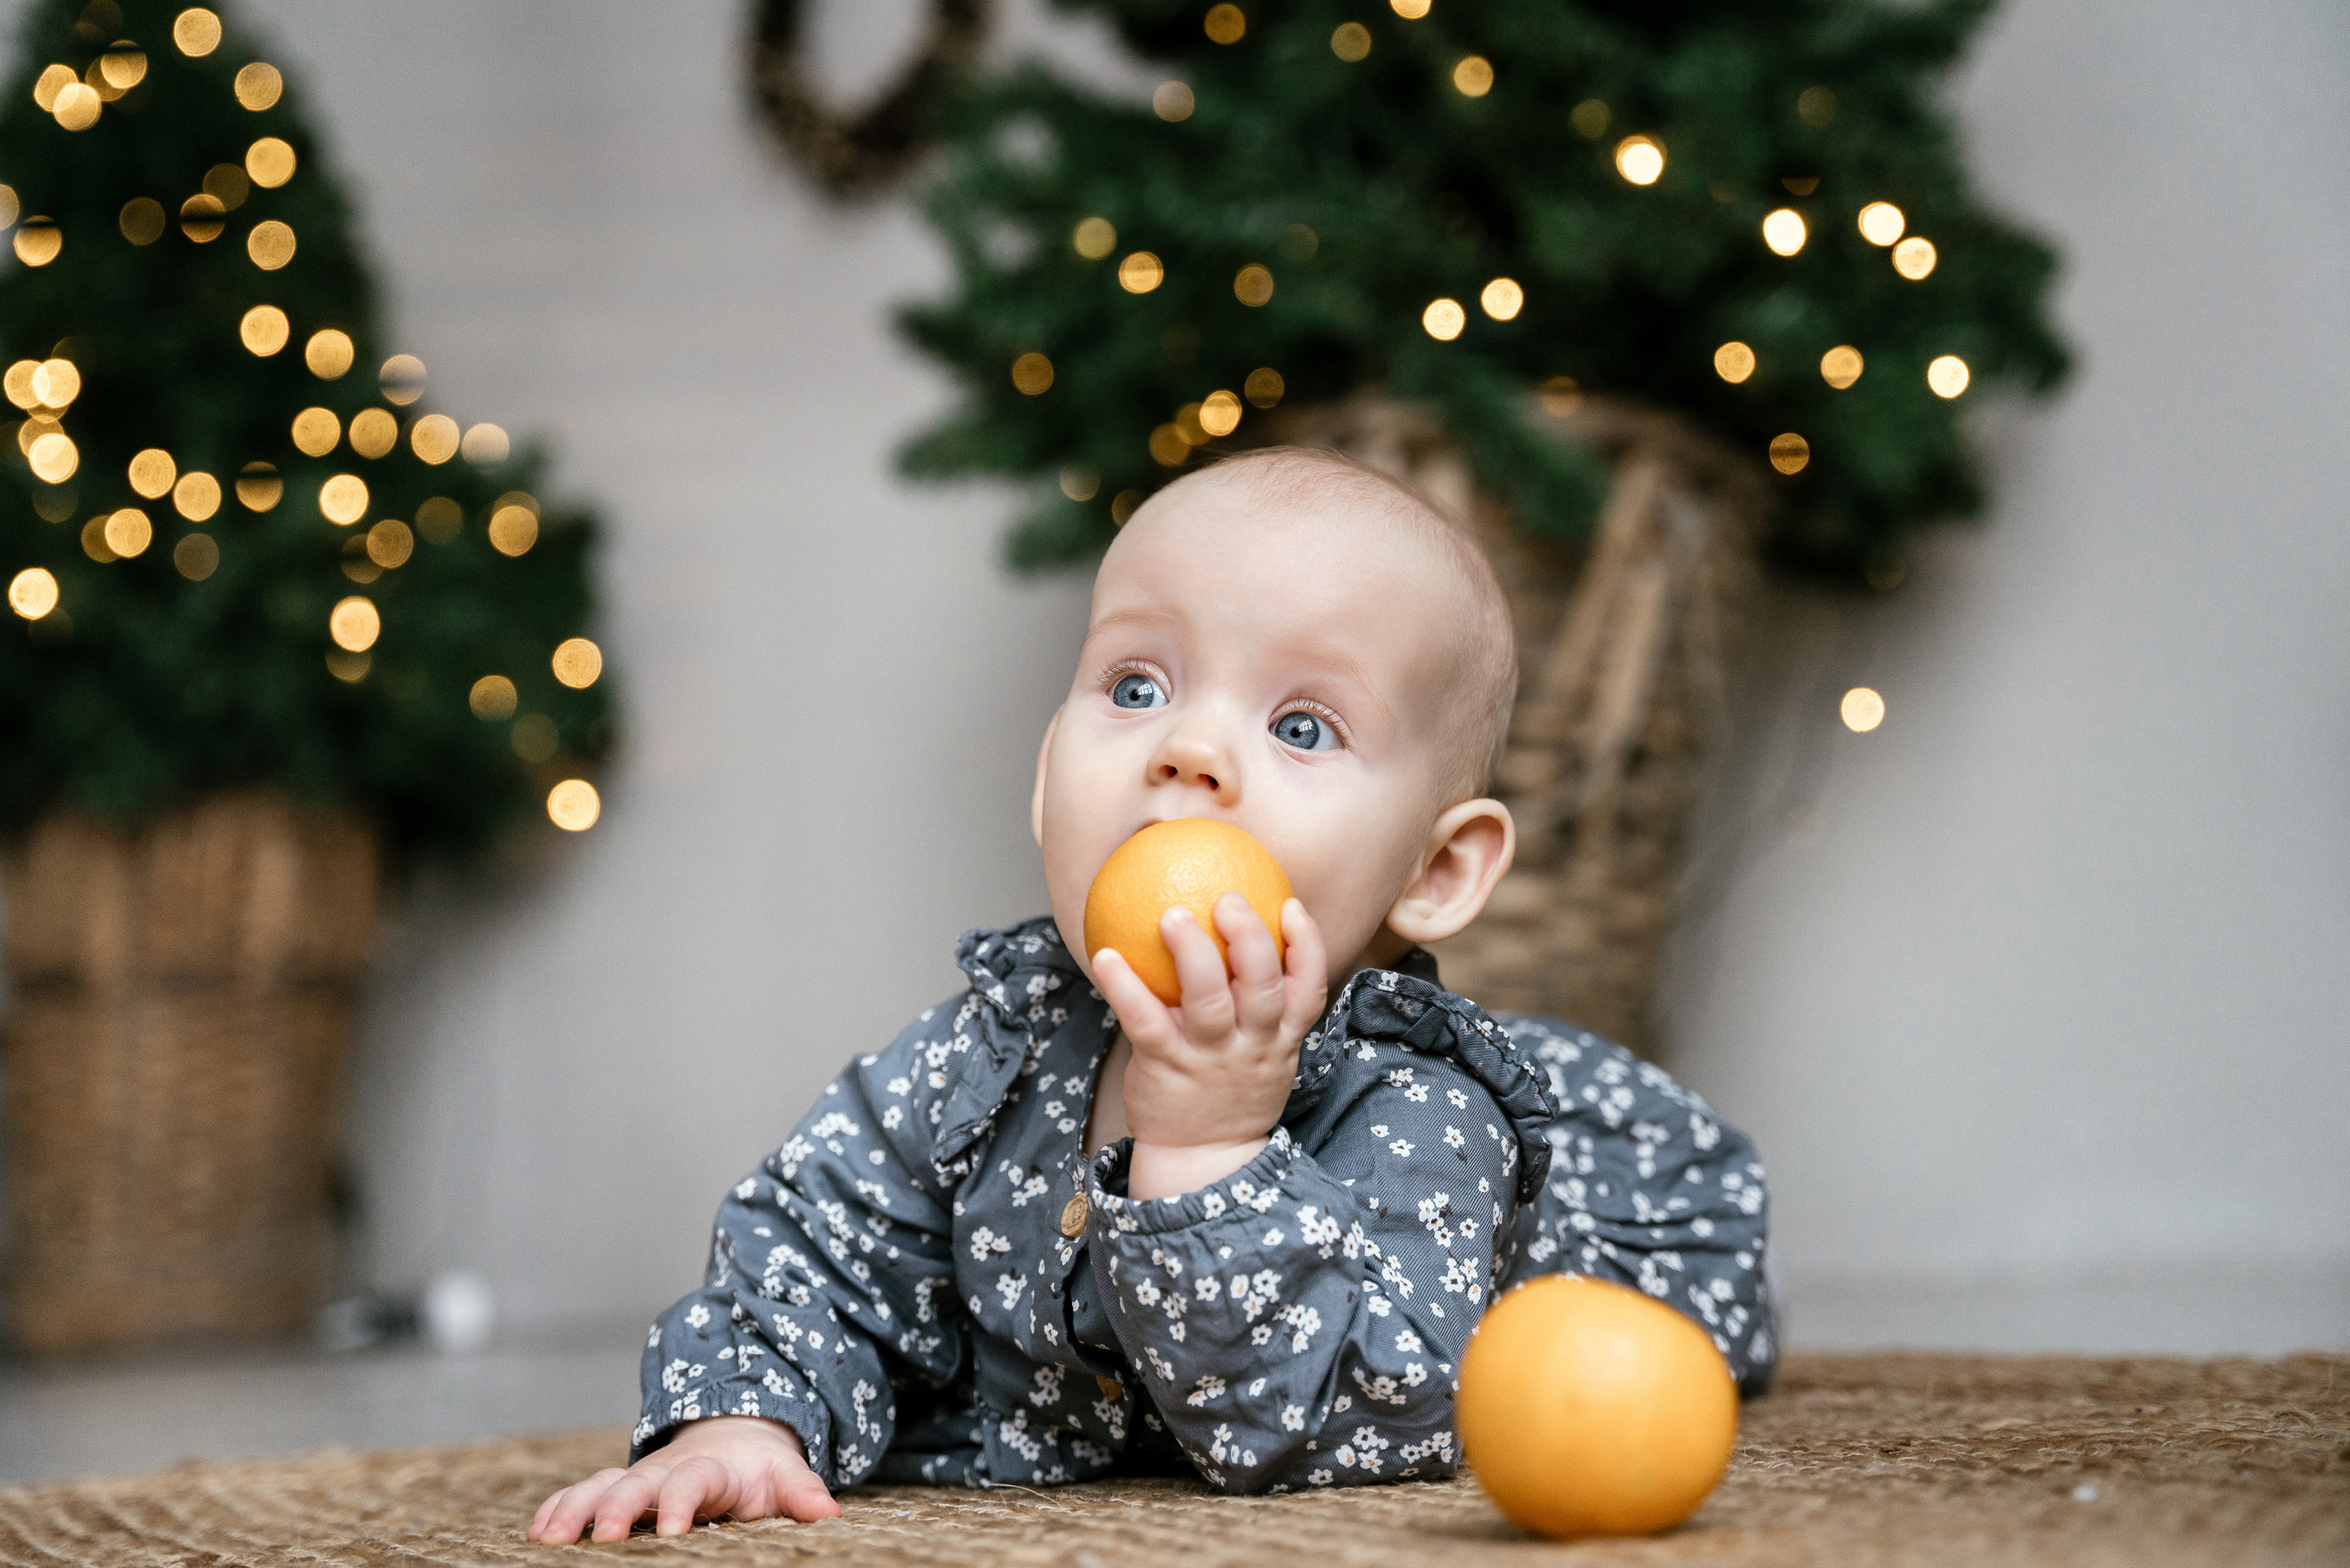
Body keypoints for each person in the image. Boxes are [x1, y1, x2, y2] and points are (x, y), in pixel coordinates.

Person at [530, 448, 1774, 1544]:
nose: (1187, 751)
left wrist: (1211, 1146)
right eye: (1136, 688)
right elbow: (812, 1246)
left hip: (1612, 1207)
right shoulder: (984, 1054)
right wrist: (738, 1421)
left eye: (1300, 725)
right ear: (1045, 780)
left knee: (1670, 1343)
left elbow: (1368, 1424)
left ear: (1436, 872)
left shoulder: (1421, 1115)